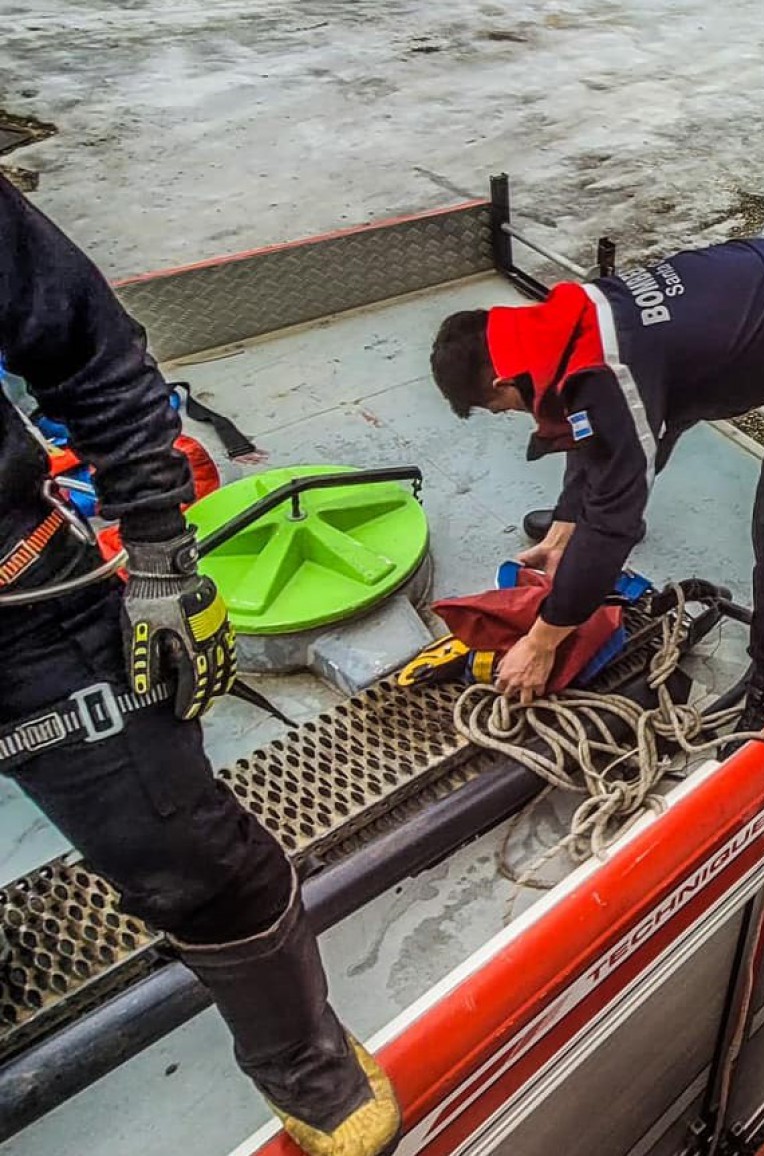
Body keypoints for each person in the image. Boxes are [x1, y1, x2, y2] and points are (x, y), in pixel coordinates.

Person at [0, 183, 399, 1153]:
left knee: (189, 858)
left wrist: (160, 553)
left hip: (20, 606)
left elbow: (85, 344)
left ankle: (301, 1059)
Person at [429, 239, 764, 733]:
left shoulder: (608, 369)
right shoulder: (557, 327)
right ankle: (581, 537)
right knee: (629, 439)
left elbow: (612, 505)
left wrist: (541, 642)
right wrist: (567, 524)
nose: (511, 414)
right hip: (747, 305)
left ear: (502, 383)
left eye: (501, 409)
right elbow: (589, 423)